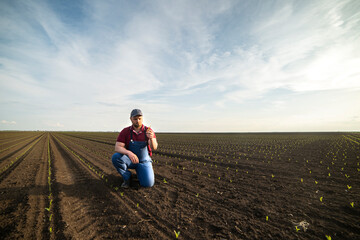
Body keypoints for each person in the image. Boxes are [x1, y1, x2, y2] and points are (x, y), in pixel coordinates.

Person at [111, 109, 158, 188]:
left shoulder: (148, 131)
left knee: (148, 184)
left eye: (139, 119)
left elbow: (154, 147)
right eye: (135, 119)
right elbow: (117, 147)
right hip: (130, 160)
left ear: (142, 118)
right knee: (116, 157)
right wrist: (129, 153)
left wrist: (151, 138)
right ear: (131, 119)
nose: (138, 121)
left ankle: (141, 173)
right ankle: (127, 177)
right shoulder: (125, 131)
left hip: (144, 161)